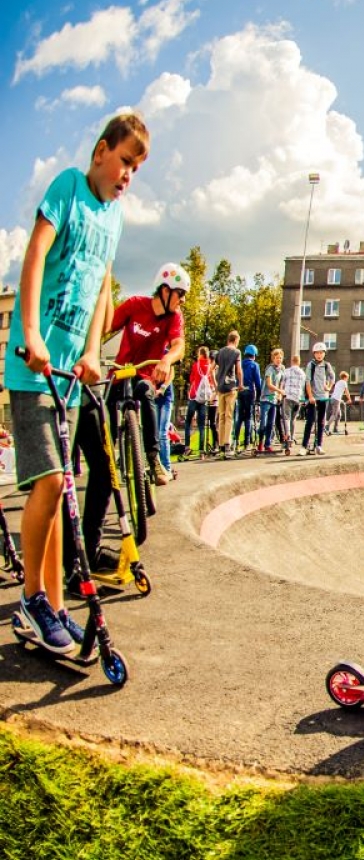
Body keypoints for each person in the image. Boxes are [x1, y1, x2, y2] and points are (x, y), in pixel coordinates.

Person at [6, 113, 149, 656]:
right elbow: (37, 253)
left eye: (136, 169)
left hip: (68, 376)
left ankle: (57, 604)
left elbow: (99, 294)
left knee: (65, 485)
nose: (127, 175)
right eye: (124, 161)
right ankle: (32, 600)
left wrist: (93, 351)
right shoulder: (69, 186)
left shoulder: (114, 218)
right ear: (100, 151)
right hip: (31, 365)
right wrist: (30, 334)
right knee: (48, 482)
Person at [71, 262, 187, 577]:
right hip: (118, 374)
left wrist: (165, 360)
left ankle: (152, 456)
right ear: (164, 290)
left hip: (146, 375)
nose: (181, 301)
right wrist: (88, 349)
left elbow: (179, 346)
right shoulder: (135, 306)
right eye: (179, 295)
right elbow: (106, 325)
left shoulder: (174, 318)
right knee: (105, 429)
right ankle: (114, 460)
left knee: (144, 391)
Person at [211, 331, 243, 457]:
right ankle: (227, 444)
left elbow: (211, 369)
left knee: (222, 416)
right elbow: (239, 370)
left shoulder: (220, 352)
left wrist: (216, 384)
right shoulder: (236, 352)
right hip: (231, 387)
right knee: (229, 416)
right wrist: (241, 383)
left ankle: (221, 446)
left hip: (220, 388)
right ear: (235, 340)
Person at [301, 342, 333, 455]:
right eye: (317, 353)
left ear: (324, 354)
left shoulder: (326, 365)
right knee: (310, 421)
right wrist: (310, 396)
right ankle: (304, 446)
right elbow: (307, 381)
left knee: (321, 422)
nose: (319, 355)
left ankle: (319, 445)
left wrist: (328, 386)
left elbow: (332, 376)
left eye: (321, 353)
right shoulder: (311, 365)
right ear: (314, 354)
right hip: (313, 398)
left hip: (323, 398)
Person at [233, 343, 262, 452]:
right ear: (254, 355)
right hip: (250, 392)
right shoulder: (254, 365)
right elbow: (258, 383)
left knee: (240, 417)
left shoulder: (240, 365)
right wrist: (258, 397)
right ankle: (247, 442)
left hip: (240, 391)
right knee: (248, 417)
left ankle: (235, 441)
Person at [259, 347, 285, 453]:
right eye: (276, 358)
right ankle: (260, 442)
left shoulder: (281, 370)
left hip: (274, 400)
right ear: (273, 359)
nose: (278, 360)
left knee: (271, 423)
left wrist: (279, 395)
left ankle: (267, 444)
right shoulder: (269, 369)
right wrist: (280, 391)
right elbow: (269, 385)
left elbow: (281, 383)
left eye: (280, 358)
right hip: (266, 398)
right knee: (263, 423)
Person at [280, 354, 306, 453]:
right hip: (298, 399)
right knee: (293, 419)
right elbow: (303, 387)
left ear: (292, 361)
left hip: (287, 397)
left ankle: (288, 437)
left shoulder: (286, 371)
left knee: (286, 417)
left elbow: (282, 384)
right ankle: (292, 436)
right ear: (299, 362)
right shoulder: (302, 373)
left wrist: (280, 394)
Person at [328, 371, 352, 435]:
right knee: (334, 414)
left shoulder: (338, 382)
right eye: (347, 378)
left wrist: (341, 400)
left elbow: (336, 392)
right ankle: (326, 427)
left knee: (339, 415)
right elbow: (347, 392)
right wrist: (349, 399)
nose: (347, 379)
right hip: (336, 400)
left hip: (333, 399)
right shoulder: (344, 382)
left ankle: (335, 429)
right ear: (345, 377)